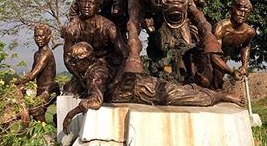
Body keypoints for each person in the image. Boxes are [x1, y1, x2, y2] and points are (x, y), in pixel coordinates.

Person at [62, 42, 245, 133]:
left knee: (190, 98)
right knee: (182, 92)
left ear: (85, 60)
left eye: (74, 61)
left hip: (144, 91)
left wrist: (70, 115)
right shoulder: (92, 69)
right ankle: (201, 90)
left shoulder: (96, 74)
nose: (72, 64)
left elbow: (95, 101)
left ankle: (222, 96)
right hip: (140, 87)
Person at [61, 0, 127, 95]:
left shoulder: (108, 27)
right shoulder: (72, 29)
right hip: (83, 71)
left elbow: (124, 55)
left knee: (96, 85)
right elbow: (67, 59)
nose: (87, 5)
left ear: (98, 6)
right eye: (84, 2)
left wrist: (117, 80)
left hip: (108, 67)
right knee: (69, 92)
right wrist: (80, 77)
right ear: (78, 4)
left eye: (91, 3)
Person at [17, 23, 59, 122]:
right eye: (36, 36)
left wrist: (17, 82)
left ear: (48, 37)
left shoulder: (46, 53)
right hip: (40, 90)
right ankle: (39, 134)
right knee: (33, 113)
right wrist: (23, 85)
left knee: (35, 109)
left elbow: (32, 75)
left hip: (48, 90)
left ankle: (43, 134)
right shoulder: (37, 54)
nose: (38, 39)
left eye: (41, 36)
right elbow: (31, 73)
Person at [211, 0, 256, 89]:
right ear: (231, 10)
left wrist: (244, 65)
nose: (242, 15)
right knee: (205, 80)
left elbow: (246, 46)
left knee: (216, 83)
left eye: (246, 12)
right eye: (240, 10)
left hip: (224, 57)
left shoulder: (249, 32)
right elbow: (214, 55)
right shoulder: (221, 27)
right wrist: (231, 72)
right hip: (208, 55)